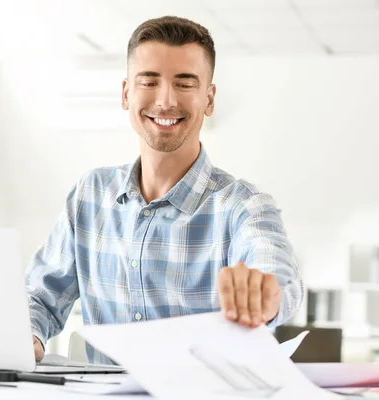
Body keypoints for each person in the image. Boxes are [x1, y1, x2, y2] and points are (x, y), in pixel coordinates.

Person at [26, 16, 303, 363]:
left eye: (185, 84)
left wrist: (265, 292)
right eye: (150, 81)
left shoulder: (243, 206)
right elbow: (39, 295)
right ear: (127, 93)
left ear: (209, 98)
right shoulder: (90, 195)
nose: (166, 100)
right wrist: (28, 336)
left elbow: (275, 271)